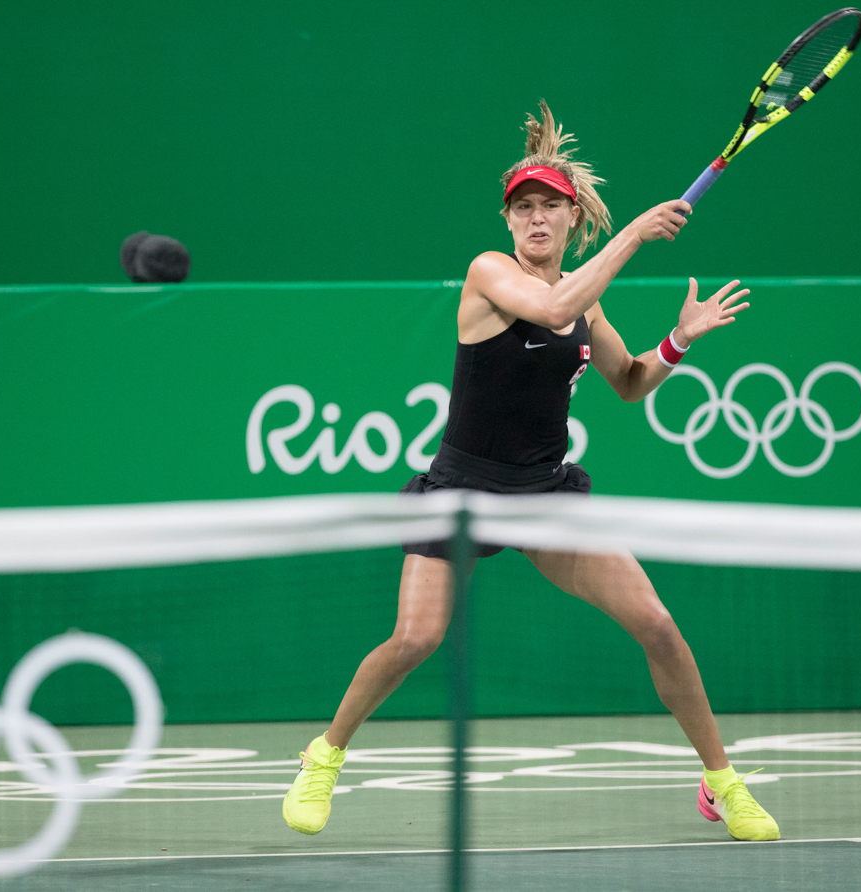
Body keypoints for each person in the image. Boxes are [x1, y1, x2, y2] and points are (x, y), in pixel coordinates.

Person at [282, 101, 779, 842]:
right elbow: (550, 310)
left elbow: (631, 382)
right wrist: (637, 234)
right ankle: (324, 756)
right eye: (524, 209)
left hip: (546, 493)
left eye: (550, 207)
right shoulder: (490, 274)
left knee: (659, 627)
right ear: (508, 222)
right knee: (415, 639)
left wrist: (676, 340)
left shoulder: (588, 300)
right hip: (460, 493)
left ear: (573, 221)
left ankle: (721, 783)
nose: (536, 220)